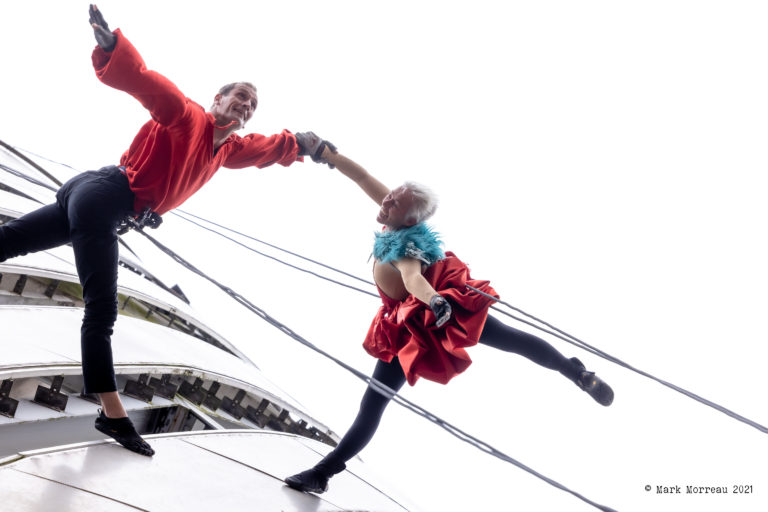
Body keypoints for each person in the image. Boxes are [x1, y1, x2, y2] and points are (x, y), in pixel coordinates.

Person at [0, 5, 334, 457]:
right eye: (239, 95)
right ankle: (113, 414)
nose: (246, 105)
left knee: (11, 241)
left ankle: (112, 413)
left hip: (96, 197)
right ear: (217, 100)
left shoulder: (226, 150)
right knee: (100, 313)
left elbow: (266, 149)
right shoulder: (189, 116)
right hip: (105, 196)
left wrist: (305, 145)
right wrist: (111, 45)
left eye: (252, 104)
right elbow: (146, 82)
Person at [285, 147, 614, 493]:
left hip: (432, 312)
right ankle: (322, 473)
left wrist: (435, 300)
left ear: (411, 220)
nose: (387, 202)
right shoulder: (396, 215)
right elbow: (364, 177)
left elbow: (412, 277)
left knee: (507, 340)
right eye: (392, 196)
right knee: (375, 402)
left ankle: (574, 371)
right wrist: (327, 153)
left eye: (395, 202)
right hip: (407, 324)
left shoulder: (404, 246)